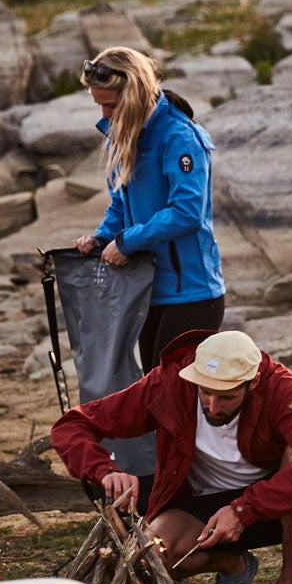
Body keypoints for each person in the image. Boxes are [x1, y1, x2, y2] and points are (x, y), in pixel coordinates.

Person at [50, 329, 292, 584]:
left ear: (252, 383)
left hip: (270, 506)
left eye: (227, 397)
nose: (213, 407)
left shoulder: (279, 387)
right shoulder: (170, 382)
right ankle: (234, 564)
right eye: (205, 392)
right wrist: (103, 470)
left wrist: (244, 509)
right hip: (197, 506)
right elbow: (74, 424)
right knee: (150, 560)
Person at [72, 46, 226, 375]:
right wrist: (101, 240)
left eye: (110, 105)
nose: (103, 115)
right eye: (99, 104)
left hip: (192, 294)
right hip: (147, 290)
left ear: (134, 96)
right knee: (157, 398)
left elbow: (187, 213)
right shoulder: (122, 136)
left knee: (174, 398)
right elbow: (120, 206)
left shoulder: (180, 138)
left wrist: (127, 243)